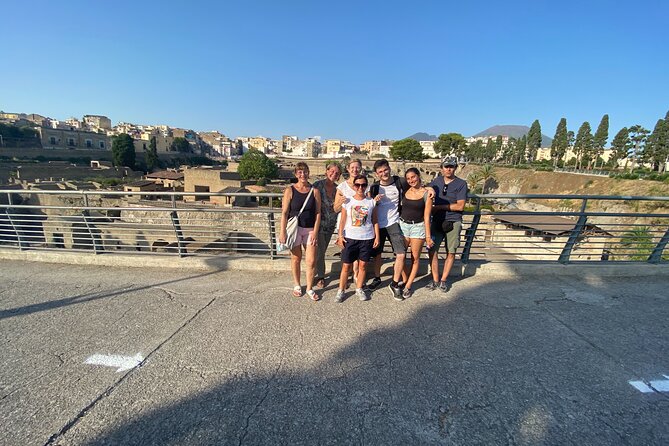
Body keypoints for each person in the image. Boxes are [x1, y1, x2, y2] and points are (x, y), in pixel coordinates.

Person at [368, 159, 435, 300]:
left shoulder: (400, 182)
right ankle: (377, 278)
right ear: (376, 174)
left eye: (385, 169)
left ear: (389, 168)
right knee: (377, 254)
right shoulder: (374, 187)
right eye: (380, 171)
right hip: (378, 225)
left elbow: (415, 184)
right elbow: (367, 204)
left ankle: (395, 283)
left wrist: (430, 188)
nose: (384, 173)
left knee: (401, 254)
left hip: (394, 223)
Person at [279, 162, 322, 301]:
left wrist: (315, 231)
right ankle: (297, 285)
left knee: (311, 261)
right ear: (296, 174)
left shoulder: (314, 191)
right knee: (296, 258)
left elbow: (318, 213)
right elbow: (285, 213)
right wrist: (282, 232)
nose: (302, 175)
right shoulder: (289, 190)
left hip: (310, 230)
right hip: (294, 229)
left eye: (305, 172)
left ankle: (309, 287)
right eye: (299, 172)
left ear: (308, 173)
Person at [334, 174, 380, 303]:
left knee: (363, 265)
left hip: (367, 237)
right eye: (358, 185)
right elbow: (342, 220)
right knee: (346, 266)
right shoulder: (348, 201)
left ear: (367, 186)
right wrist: (340, 236)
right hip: (350, 238)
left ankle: (359, 288)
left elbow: (375, 220)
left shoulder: (371, 202)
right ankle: (341, 290)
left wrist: (377, 236)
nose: (360, 187)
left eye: (363, 185)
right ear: (354, 186)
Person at [427, 156, 468, 292]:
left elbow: (460, 206)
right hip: (437, 221)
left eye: (451, 166)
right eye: (446, 166)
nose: (449, 169)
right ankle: (435, 279)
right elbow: (425, 191)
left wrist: (439, 207)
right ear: (442, 168)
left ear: (455, 168)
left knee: (451, 251)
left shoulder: (461, 184)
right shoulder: (436, 181)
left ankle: (443, 280)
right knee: (432, 250)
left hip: (453, 220)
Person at [396, 168, 433, 299]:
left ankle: (408, 286)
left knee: (414, 258)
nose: (411, 180)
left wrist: (428, 237)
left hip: (418, 227)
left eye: (413, 177)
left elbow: (427, 217)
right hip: (403, 226)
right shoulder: (405, 190)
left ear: (418, 176)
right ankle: (405, 280)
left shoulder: (427, 194)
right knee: (401, 255)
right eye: (408, 178)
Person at [333, 159, 368, 284]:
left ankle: (357, 275)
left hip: (360, 223)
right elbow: (335, 208)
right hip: (345, 224)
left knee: (358, 253)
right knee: (347, 251)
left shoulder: (364, 184)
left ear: (360, 168)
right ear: (348, 169)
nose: (355, 170)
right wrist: (341, 202)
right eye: (352, 167)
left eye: (357, 167)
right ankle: (346, 277)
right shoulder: (342, 187)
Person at [312, 162, 342, 288]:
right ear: (326, 171)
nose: (333, 174)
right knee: (318, 251)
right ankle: (319, 276)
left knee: (321, 251)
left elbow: (338, 207)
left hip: (330, 225)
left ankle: (315, 274)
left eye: (337, 173)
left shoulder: (338, 189)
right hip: (316, 224)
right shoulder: (317, 185)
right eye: (332, 171)